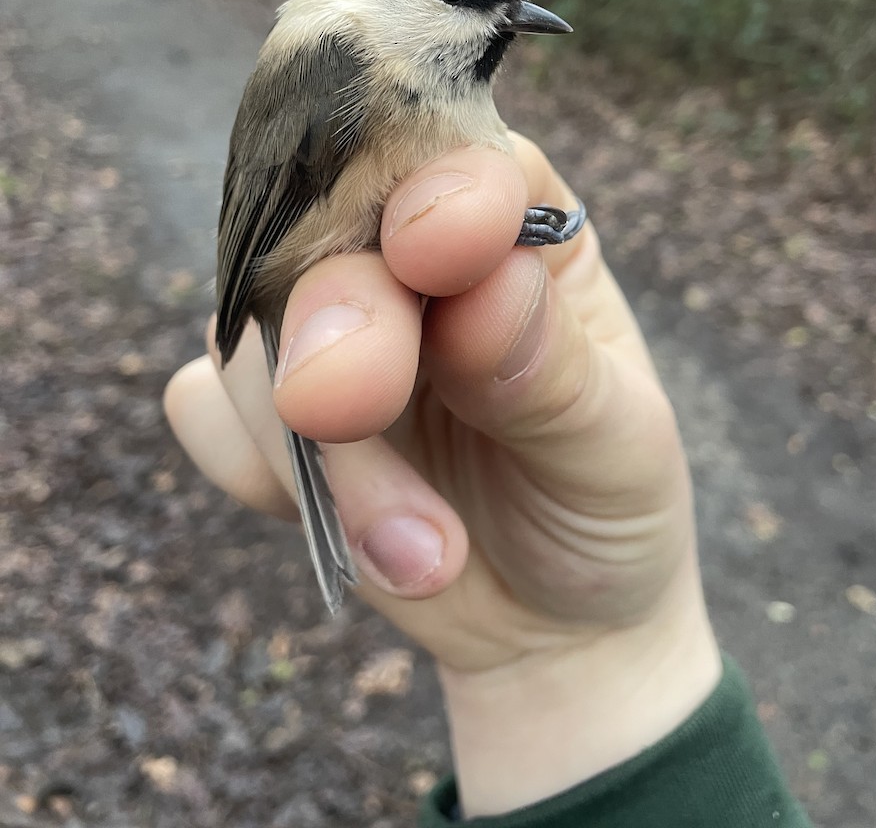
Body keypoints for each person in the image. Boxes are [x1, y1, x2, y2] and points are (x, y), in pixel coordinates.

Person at [164, 134, 811, 827]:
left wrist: (610, 654)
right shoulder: (339, 57)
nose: (512, 22)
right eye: (474, 12)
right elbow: (274, 240)